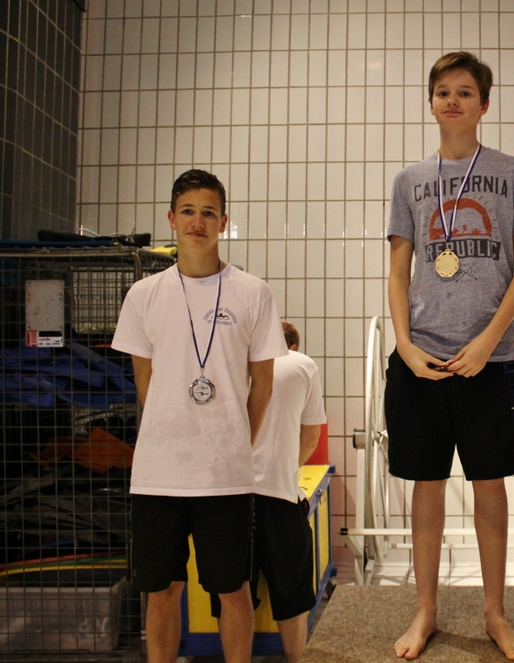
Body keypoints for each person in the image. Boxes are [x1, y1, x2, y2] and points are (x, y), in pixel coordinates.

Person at [385, 51, 514, 661]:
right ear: (430, 103)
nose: (453, 100)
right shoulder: (409, 182)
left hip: (491, 358)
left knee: (488, 483)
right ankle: (425, 611)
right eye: (443, 91)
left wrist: (487, 341)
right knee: (426, 484)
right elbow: (398, 271)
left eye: (465, 92)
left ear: (484, 104)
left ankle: (494, 612)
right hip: (421, 358)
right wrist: (404, 343)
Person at [112, 169, 288, 663]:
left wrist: (235, 441)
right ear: (171, 219)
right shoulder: (143, 295)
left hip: (225, 476)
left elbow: (263, 384)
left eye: (208, 213)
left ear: (223, 222)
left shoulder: (252, 292)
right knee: (162, 591)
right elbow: (144, 381)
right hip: (158, 474)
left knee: (232, 590)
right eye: (188, 211)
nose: (198, 222)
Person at [210, 321, 327, 663]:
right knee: (291, 589)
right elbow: (311, 436)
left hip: (227, 494)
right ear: (292, 346)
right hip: (278, 495)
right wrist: (286, 467)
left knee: (230, 591)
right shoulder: (302, 365)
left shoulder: (226, 363)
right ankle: (295, 658)